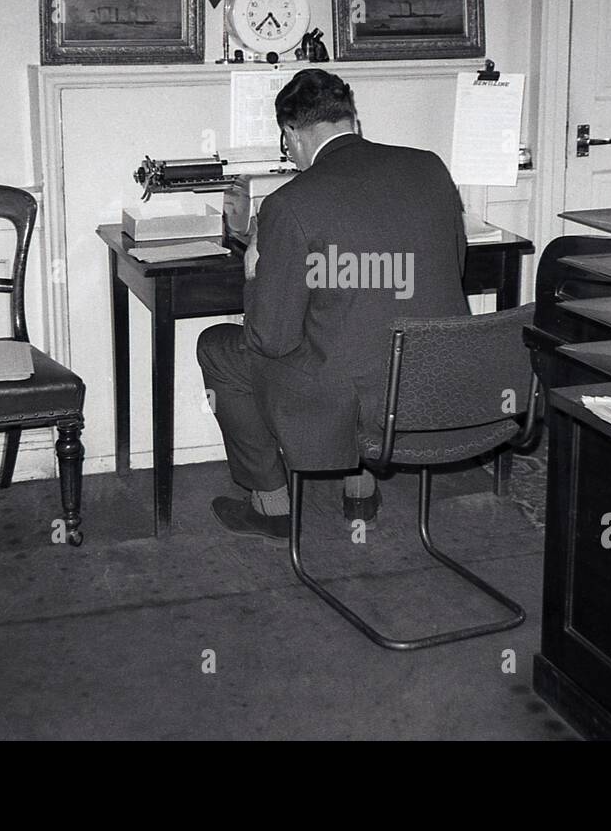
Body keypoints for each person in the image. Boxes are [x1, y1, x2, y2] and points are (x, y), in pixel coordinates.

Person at [196, 68, 469, 541]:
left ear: (292, 134)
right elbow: (452, 268)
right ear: (350, 118)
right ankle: (359, 491)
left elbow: (271, 340)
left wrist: (255, 267)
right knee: (357, 339)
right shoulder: (429, 167)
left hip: (352, 395)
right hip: (433, 377)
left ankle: (271, 505)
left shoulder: (289, 203)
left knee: (219, 347)